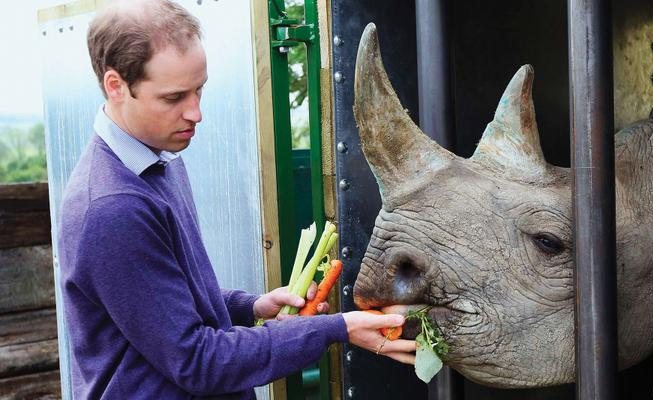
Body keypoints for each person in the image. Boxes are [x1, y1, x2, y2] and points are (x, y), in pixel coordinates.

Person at [57, 1, 416, 398]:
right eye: (174, 97)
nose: (196, 113)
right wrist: (336, 328)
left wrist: (251, 306)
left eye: (199, 89)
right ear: (116, 86)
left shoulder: (159, 158)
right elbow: (196, 361)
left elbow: (168, 302)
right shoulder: (112, 207)